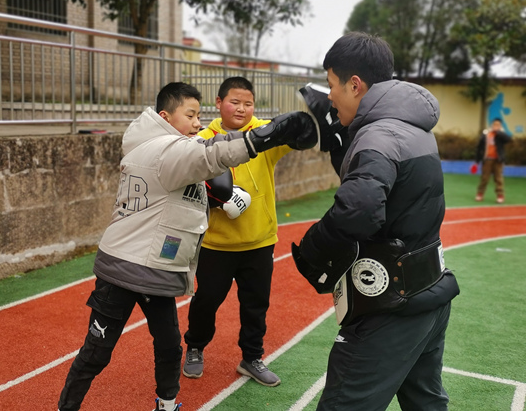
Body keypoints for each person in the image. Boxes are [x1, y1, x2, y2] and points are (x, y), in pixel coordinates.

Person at [57, 82, 317, 411]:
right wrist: (256, 140)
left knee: (169, 348)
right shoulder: (163, 151)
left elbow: (205, 155)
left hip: (157, 271)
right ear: (165, 117)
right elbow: (210, 154)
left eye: (199, 115)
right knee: (97, 352)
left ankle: (166, 406)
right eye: (191, 115)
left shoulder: (172, 148)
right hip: (124, 269)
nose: (198, 124)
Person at [291, 32, 460, 411]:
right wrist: (342, 143)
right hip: (428, 294)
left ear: (355, 84)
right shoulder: (412, 127)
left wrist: (311, 254)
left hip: (389, 308)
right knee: (426, 404)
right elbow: (391, 196)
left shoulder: (379, 136)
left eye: (333, 85)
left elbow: (359, 211)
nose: (329, 95)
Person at [183, 76, 303, 387]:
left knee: (256, 305)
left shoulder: (262, 134)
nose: (241, 108)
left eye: (248, 103)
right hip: (216, 244)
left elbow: (292, 134)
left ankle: (251, 357)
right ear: (219, 103)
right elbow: (189, 182)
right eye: (234, 102)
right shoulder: (204, 138)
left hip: (259, 241)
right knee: (206, 301)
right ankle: (195, 347)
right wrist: (215, 198)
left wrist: (302, 124)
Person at [474, 118, 512, 203]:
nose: (496, 126)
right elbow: (479, 147)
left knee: (498, 178)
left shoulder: (501, 135)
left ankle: (500, 195)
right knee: (484, 178)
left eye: (498, 125)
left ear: (500, 126)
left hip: (498, 160)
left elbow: (508, 140)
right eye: (495, 124)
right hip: (487, 159)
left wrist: (498, 132)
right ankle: (480, 194)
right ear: (492, 125)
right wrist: (477, 160)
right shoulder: (486, 134)